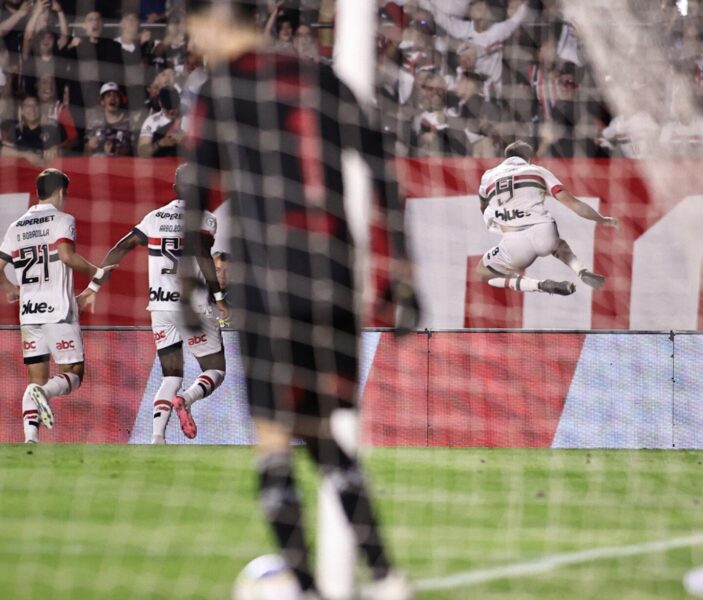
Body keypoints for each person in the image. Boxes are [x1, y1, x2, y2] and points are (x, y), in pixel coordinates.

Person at [181, 2, 419, 598]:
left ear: (212, 21)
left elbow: (195, 191)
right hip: (336, 280)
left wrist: (193, 280)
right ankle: (387, 579)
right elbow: (383, 173)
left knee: (274, 442)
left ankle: (307, 587)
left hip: (269, 281)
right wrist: (400, 275)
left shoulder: (222, 87)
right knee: (321, 435)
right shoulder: (321, 78)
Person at [80, 165, 227, 444]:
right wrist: (218, 297)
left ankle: (157, 437)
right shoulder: (205, 219)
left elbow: (119, 248)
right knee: (215, 369)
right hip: (192, 308)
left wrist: (93, 286)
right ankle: (187, 398)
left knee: (171, 374)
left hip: (160, 308)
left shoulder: (154, 218)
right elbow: (203, 256)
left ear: (174, 189)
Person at [0, 168, 114, 443]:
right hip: (59, 312)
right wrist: (97, 273)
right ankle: (46, 395)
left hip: (28, 314)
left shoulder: (17, 226)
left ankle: (31, 438)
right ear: (62, 192)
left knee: (36, 379)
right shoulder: (63, 219)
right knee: (73, 374)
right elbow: (66, 255)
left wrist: (8, 287)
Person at [476, 140, 619, 296]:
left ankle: (541, 285)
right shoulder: (537, 170)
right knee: (557, 243)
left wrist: (495, 221)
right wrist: (602, 219)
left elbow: (483, 207)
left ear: (506, 157)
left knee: (484, 271)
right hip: (545, 233)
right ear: (530, 158)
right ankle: (581, 270)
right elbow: (573, 203)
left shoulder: (488, 176)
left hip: (515, 245)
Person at [1, 95, 63, 165]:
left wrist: (57, 148)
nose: (32, 109)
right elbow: (4, 150)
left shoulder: (52, 129)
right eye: (28, 106)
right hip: (23, 172)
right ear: (22, 111)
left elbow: (69, 145)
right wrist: (26, 155)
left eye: (35, 105)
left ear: (40, 109)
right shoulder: (15, 130)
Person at [83, 81, 134, 156]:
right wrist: (89, 147)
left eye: (116, 95)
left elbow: (135, 151)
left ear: (120, 100)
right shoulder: (94, 123)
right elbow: (85, 154)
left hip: (121, 166)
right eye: (108, 95)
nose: (112, 98)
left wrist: (116, 149)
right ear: (102, 101)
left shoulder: (130, 123)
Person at [137, 86, 182, 157]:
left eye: (175, 106)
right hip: (160, 164)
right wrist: (160, 143)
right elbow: (141, 151)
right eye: (168, 107)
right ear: (160, 103)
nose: (172, 110)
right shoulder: (152, 121)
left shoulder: (188, 117)